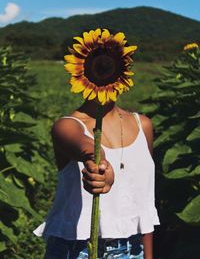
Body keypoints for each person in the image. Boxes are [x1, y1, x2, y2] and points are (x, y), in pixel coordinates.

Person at [33, 99, 160, 258]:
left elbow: (144, 205)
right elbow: (87, 149)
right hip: (77, 249)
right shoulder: (67, 126)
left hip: (132, 249)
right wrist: (99, 164)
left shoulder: (143, 126)